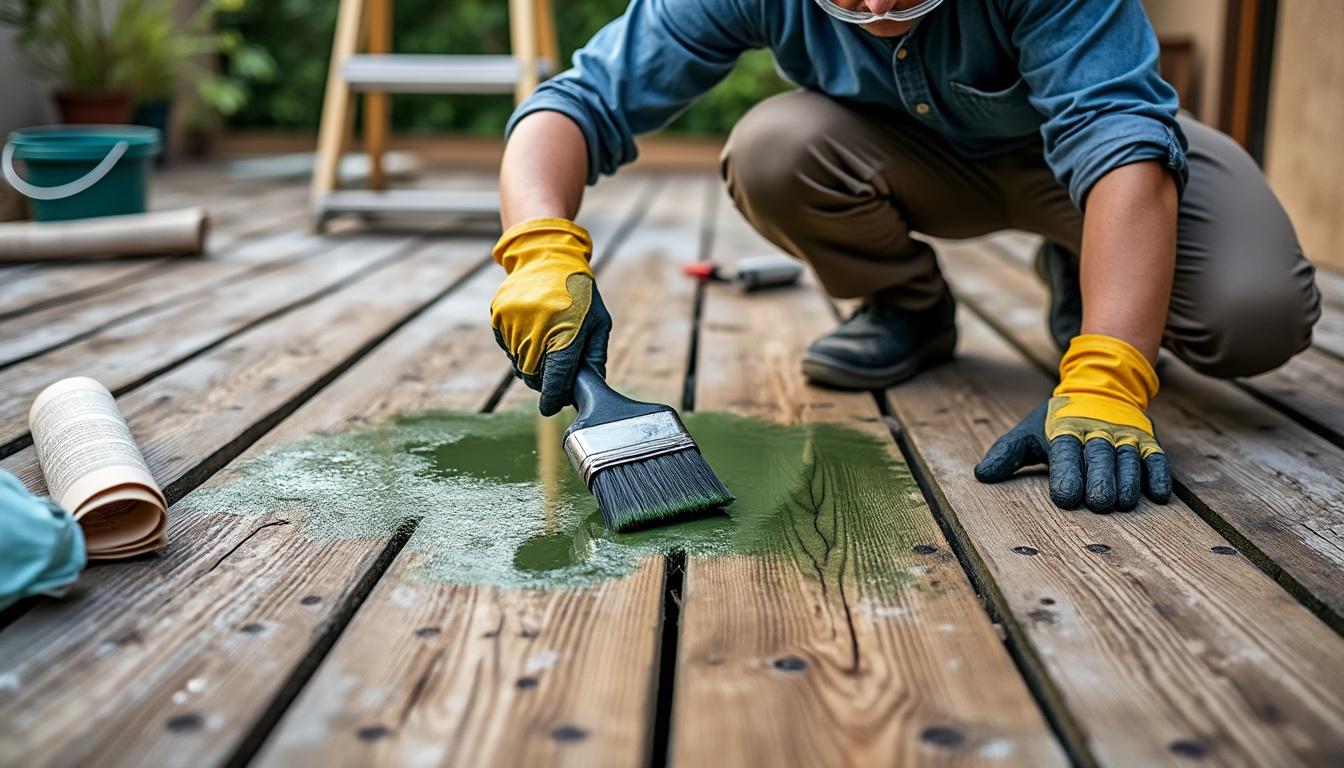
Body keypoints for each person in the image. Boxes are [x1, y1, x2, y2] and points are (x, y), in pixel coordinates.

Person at [488, 0, 1321, 513]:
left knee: (1255, 316)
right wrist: (538, 248)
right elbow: (578, 102)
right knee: (772, 149)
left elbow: (1120, 139)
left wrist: (1109, 375)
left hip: (1100, 162)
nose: (881, 4)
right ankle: (909, 309)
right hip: (906, 162)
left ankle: (1089, 271)